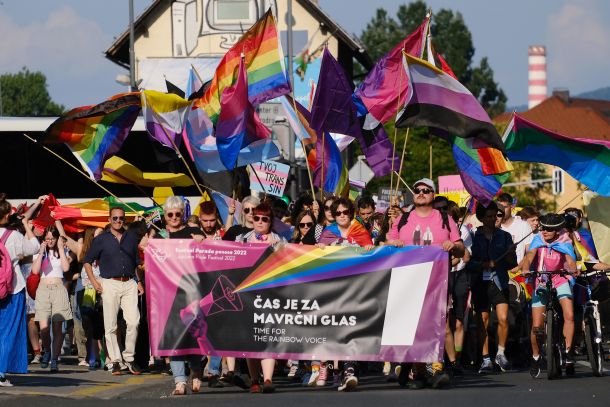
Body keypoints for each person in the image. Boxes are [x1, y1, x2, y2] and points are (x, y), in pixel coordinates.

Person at [386, 178, 465, 389]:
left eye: (426, 190)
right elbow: (387, 243)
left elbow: (461, 249)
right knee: (414, 327)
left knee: (439, 325)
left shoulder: (445, 219)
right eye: (417, 190)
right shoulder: (402, 220)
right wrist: (393, 243)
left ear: (433, 194)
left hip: (437, 281)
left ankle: (436, 369)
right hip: (408, 281)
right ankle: (418, 372)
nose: (421, 192)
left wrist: (452, 245)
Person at [317, 197, 372, 392]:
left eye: (345, 212)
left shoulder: (360, 231)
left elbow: (371, 255)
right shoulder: (328, 232)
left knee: (350, 327)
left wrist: (368, 249)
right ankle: (335, 370)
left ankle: (349, 369)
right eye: (338, 212)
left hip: (355, 287)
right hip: (332, 287)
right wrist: (320, 250)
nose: (341, 216)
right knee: (334, 330)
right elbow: (317, 257)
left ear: (351, 213)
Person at [83, 206, 142, 376]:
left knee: (134, 321)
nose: (118, 221)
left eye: (121, 218)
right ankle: (115, 361)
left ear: (125, 220)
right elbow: (87, 261)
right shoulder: (101, 239)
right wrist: (94, 282)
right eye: (115, 218)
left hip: (129, 282)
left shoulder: (131, 237)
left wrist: (138, 281)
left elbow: (136, 261)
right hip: (109, 283)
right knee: (110, 325)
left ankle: (129, 357)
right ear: (109, 220)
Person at [235, 202, 286, 393]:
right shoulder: (242, 239)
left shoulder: (279, 240)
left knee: (268, 336)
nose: (260, 222)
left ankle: (268, 379)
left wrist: (279, 250)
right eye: (257, 218)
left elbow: (291, 263)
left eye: (264, 219)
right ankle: (254, 379)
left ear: (270, 221)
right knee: (251, 339)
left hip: (271, 294)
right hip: (248, 295)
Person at [521, 213, 578, 378]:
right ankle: (536, 356)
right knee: (537, 326)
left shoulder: (564, 239)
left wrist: (573, 268)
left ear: (557, 230)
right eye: (543, 228)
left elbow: (570, 258)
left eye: (548, 229)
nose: (544, 231)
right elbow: (529, 256)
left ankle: (567, 352)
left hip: (560, 278)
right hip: (541, 279)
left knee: (569, 314)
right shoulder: (538, 239)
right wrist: (525, 268)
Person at [467, 202, 517, 374]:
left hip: (500, 281)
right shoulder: (474, 236)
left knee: (503, 318)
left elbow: (512, 264)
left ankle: (501, 353)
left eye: (495, 215)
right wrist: (483, 264)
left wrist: (510, 254)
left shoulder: (505, 236)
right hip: (480, 282)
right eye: (488, 216)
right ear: (481, 218)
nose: (493, 219)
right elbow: (468, 262)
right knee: (483, 322)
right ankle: (486, 358)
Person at [0, 193, 40, 387]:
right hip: (11, 288)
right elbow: (34, 247)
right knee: (9, 331)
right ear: (7, 216)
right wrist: (26, 225)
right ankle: (0, 373)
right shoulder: (14, 236)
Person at [31, 225, 73, 372]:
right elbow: (35, 271)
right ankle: (47, 350)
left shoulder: (62, 251)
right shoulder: (39, 252)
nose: (50, 241)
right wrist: (41, 251)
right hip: (43, 289)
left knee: (57, 329)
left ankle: (54, 359)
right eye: (47, 238)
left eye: (52, 238)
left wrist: (61, 248)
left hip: (58, 288)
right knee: (44, 328)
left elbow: (66, 268)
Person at [497, 193, 533, 268]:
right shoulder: (494, 226)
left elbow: (530, 252)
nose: (501, 210)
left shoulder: (523, 225)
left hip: (517, 273)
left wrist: (519, 267)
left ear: (512, 207)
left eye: (504, 207)